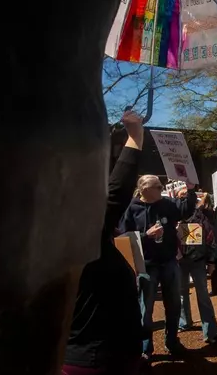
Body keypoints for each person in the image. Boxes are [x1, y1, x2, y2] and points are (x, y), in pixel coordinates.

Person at [63, 112, 145, 375]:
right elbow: (117, 190)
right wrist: (135, 135)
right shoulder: (77, 236)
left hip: (77, 355)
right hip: (97, 360)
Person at [119, 175, 197, 358]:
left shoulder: (167, 204)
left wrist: (191, 191)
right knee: (145, 310)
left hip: (168, 261)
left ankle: (172, 342)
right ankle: (145, 349)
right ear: (145, 190)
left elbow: (185, 211)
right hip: (146, 265)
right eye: (158, 187)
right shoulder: (132, 208)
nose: (162, 189)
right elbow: (123, 236)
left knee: (174, 305)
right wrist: (146, 235)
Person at [177, 193, 217, 344]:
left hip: (198, 261)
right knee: (181, 293)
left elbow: (211, 239)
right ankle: (184, 322)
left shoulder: (200, 218)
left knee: (203, 295)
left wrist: (211, 262)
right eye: (181, 199)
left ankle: (209, 330)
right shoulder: (173, 218)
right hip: (180, 262)